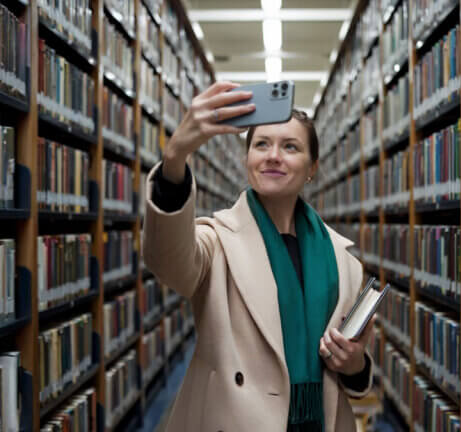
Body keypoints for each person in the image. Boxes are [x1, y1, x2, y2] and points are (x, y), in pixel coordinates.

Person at [142, 82, 375, 432]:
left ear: (312, 167)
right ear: (247, 158)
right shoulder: (217, 240)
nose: (273, 155)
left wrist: (356, 365)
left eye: (290, 146)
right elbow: (168, 262)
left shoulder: (345, 264)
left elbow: (351, 379)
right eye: (261, 144)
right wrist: (175, 159)